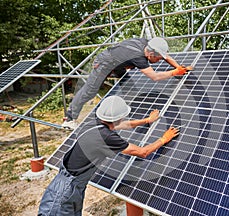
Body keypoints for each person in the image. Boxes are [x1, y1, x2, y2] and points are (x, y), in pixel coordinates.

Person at [38, 95, 180, 216]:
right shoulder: (106, 136)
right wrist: (164, 139)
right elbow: (142, 152)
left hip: (68, 186)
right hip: (64, 193)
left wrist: (147, 121)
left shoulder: (93, 124)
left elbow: (123, 125)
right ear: (118, 118)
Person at [62, 37, 191, 129]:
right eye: (158, 58)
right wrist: (175, 72)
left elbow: (166, 56)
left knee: (128, 85)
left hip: (117, 63)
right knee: (90, 91)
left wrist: (180, 67)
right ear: (151, 54)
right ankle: (69, 118)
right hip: (104, 63)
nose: (159, 60)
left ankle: (130, 112)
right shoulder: (138, 57)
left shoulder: (148, 43)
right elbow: (155, 76)